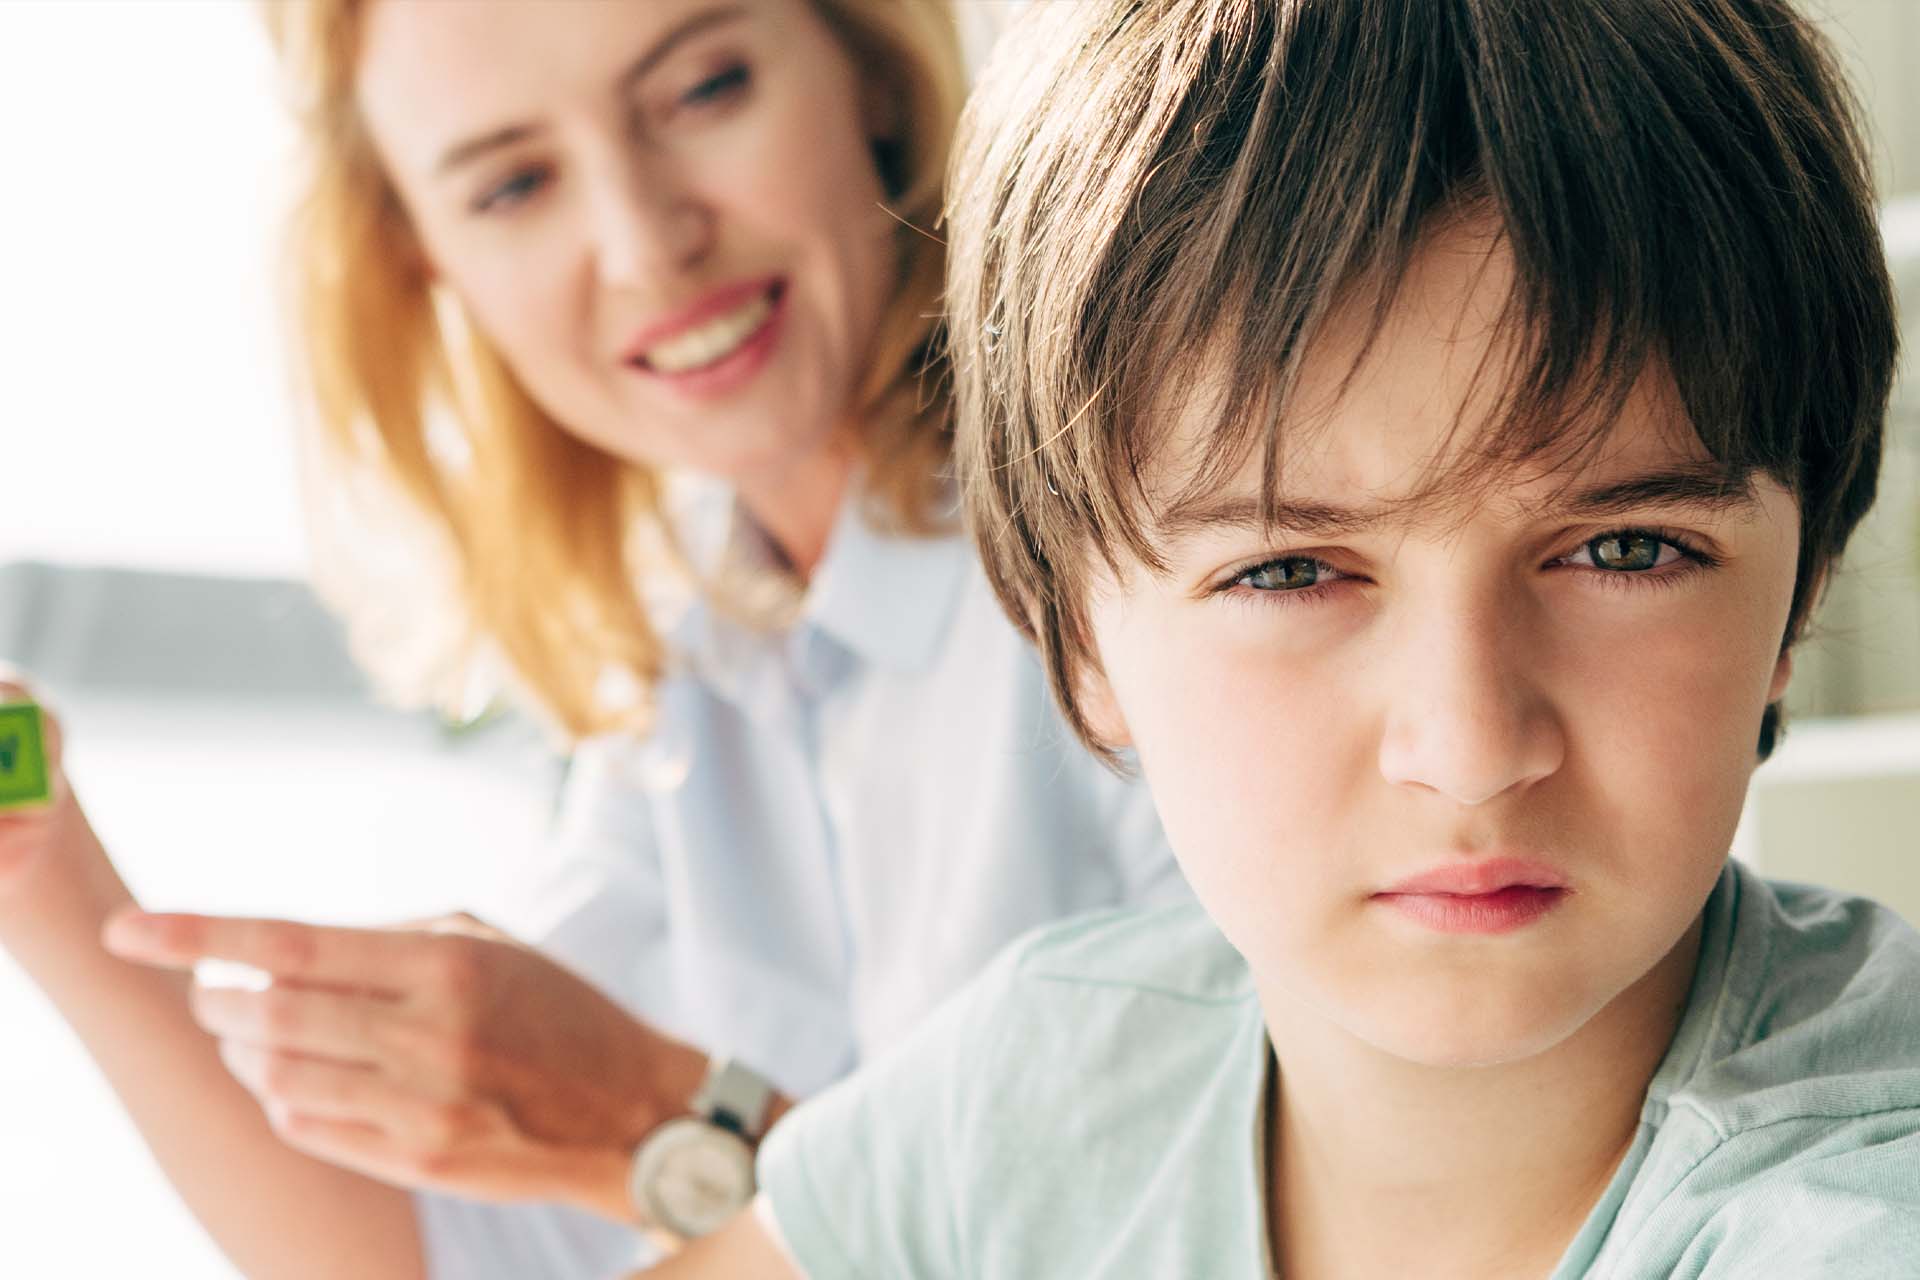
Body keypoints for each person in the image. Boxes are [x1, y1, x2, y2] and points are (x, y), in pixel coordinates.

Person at [624, 0, 1920, 1274]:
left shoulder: (1851, 1208)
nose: (1469, 749)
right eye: (1290, 571)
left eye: (1626, 552)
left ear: (1801, 587)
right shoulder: (1047, 1079)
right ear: (1076, 634)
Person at [0, 2, 1180, 1278]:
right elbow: (441, 1246)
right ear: (429, 263)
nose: (645, 243)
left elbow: (1242, 1192)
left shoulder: (1145, 517)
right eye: (514, 185)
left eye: (704, 90)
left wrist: (655, 1119)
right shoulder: (697, 648)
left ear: (872, 75)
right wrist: (44, 880)